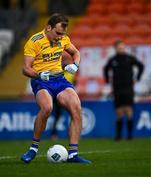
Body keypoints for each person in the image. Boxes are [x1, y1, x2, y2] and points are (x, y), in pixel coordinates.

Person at [21, 13, 91, 164]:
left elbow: (76, 53)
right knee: (47, 108)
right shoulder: (35, 41)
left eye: (63, 34)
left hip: (59, 80)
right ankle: (33, 149)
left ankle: (73, 154)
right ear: (48, 28)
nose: (60, 37)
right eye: (58, 33)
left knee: (76, 107)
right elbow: (25, 69)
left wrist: (75, 64)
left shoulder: (64, 39)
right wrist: (39, 75)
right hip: (41, 81)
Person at [104, 40, 144, 141]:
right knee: (119, 112)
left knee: (129, 110)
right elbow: (105, 69)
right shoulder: (113, 60)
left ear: (124, 48)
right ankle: (118, 135)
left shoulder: (129, 58)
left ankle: (130, 135)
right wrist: (107, 81)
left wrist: (137, 77)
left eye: (122, 47)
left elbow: (141, 66)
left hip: (128, 88)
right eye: (119, 47)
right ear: (115, 48)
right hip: (117, 89)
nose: (121, 49)